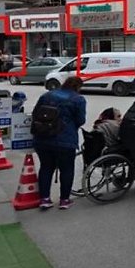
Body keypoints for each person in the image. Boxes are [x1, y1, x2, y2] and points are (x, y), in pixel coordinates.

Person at [32, 77, 86, 210]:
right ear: (78, 87)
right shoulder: (78, 99)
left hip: (42, 138)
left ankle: (44, 199)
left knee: (45, 167)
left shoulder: (47, 95)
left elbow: (35, 113)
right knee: (66, 169)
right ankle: (64, 200)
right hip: (65, 140)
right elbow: (80, 120)